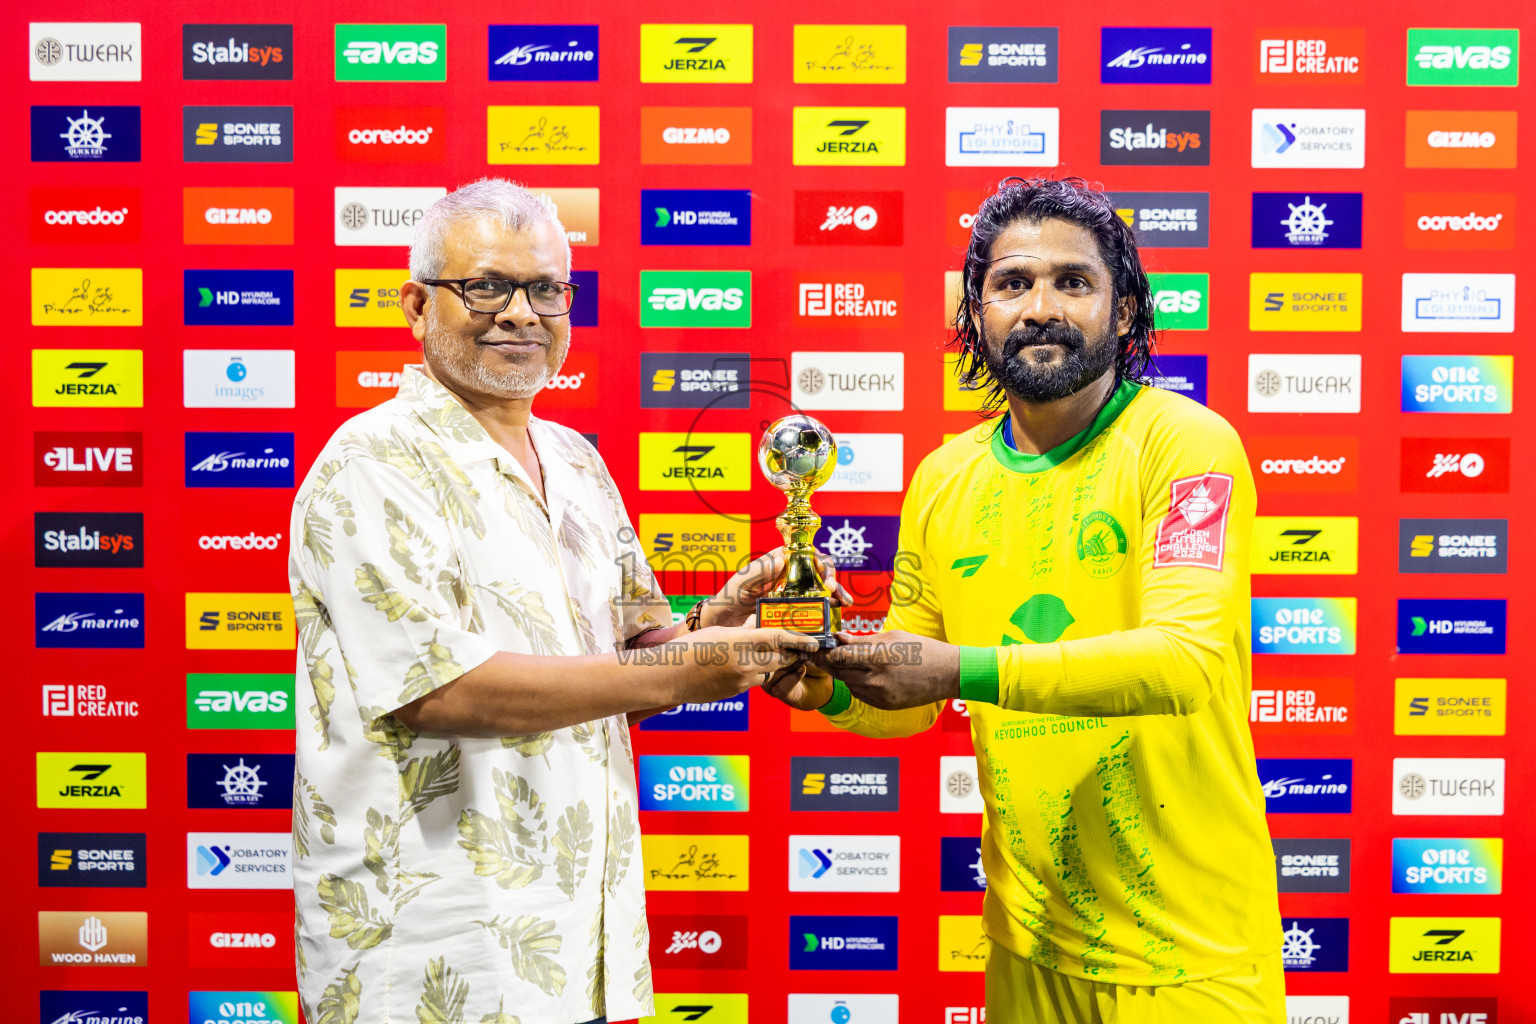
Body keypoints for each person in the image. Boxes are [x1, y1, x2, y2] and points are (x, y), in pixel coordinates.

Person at [287, 178, 821, 1024]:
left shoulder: (575, 459)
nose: (521, 314)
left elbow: (626, 656)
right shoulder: (370, 463)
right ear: (418, 305)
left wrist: (698, 632)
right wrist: (682, 673)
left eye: (546, 290)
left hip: (582, 939)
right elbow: (440, 690)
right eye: (487, 287)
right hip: (435, 951)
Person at [775, 177, 1284, 1022]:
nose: (1040, 306)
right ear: (975, 314)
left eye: (1073, 282)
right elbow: (909, 699)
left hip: (1189, 955)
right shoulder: (944, 479)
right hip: (1027, 940)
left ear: (1124, 313)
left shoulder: (1184, 442)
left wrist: (963, 671)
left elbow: (1185, 663)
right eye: (1012, 284)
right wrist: (829, 687)